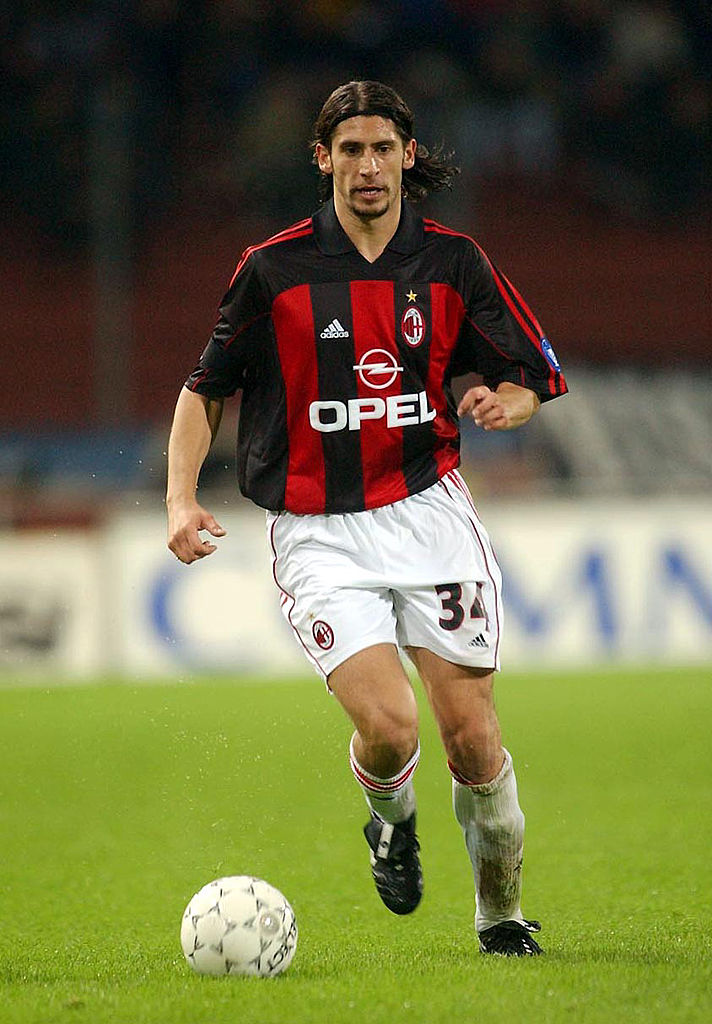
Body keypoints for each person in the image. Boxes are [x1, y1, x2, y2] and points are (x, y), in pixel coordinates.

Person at [166, 80, 568, 957]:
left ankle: (500, 917)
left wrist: (507, 402)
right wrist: (181, 498)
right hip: (319, 530)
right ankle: (391, 819)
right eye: (350, 150)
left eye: (383, 148)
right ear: (324, 160)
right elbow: (205, 387)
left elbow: (531, 376)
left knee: (474, 740)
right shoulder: (273, 268)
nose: (369, 166)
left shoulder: (453, 261)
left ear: (408, 156)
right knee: (389, 728)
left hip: (428, 514)